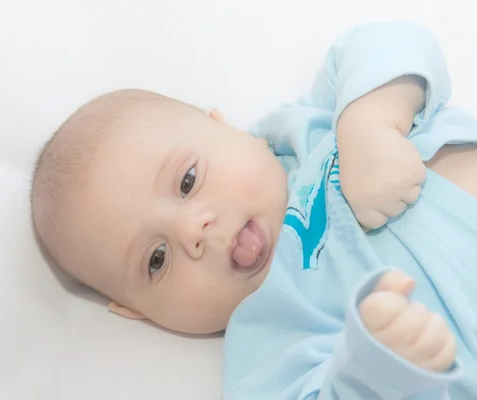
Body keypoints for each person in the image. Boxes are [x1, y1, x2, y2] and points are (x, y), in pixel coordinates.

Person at [31, 22, 477, 398]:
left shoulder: (307, 125)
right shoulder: (268, 336)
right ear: (142, 313)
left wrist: (369, 123)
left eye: (187, 181)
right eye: (156, 259)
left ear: (221, 126)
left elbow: (389, 40)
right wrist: (374, 370)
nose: (193, 231)